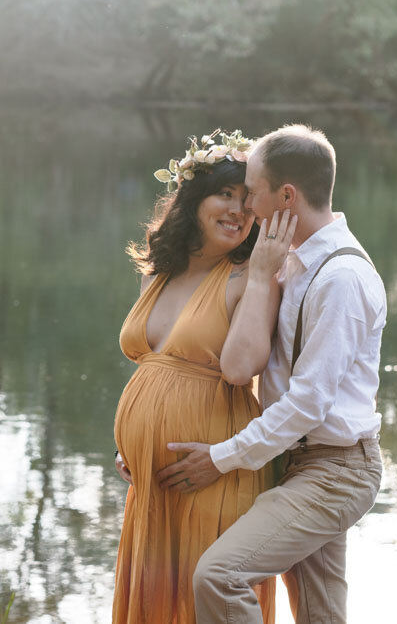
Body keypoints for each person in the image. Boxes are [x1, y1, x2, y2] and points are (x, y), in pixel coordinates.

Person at [155, 124, 386, 624]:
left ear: (287, 195)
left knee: (219, 576)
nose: (247, 209)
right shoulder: (291, 263)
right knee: (320, 616)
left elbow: (307, 405)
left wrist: (220, 459)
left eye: (254, 194)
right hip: (298, 464)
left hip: (336, 471)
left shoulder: (342, 279)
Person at [111, 129, 291, 624]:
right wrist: (132, 442)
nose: (237, 210)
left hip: (213, 468)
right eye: (224, 194)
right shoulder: (157, 273)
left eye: (247, 201)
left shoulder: (246, 279)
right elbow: (154, 368)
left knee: (201, 602)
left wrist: (260, 277)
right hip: (150, 483)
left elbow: (241, 368)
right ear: (193, 199)